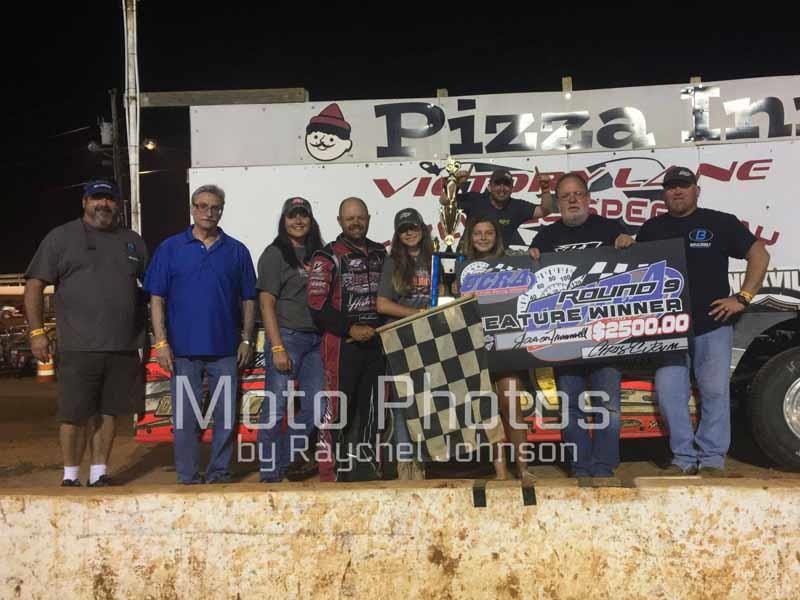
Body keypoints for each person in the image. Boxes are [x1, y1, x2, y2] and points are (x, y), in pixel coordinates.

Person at [637, 166, 770, 476]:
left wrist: (743, 297)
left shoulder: (720, 222)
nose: (677, 191)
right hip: (668, 328)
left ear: (697, 190)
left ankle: (711, 460)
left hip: (712, 325)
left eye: (683, 185)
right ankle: (683, 458)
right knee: (670, 395)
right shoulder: (651, 229)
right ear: (663, 194)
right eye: (671, 187)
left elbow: (759, 254)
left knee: (714, 393)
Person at [24, 179, 148, 487]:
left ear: (118, 205)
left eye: (109, 199)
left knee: (109, 413)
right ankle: (70, 476)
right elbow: (34, 285)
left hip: (122, 346)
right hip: (78, 347)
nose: (103, 204)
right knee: (74, 415)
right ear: (85, 202)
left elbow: (153, 287)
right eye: (97, 198)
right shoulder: (61, 238)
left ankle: (98, 473)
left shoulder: (133, 242)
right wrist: (37, 332)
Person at [144, 184, 257, 484]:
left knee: (225, 416)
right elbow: (157, 298)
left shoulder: (236, 250)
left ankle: (219, 473)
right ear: (193, 209)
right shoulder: (170, 248)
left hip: (226, 351)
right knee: (185, 418)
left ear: (222, 211)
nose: (209, 212)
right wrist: (161, 342)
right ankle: (188, 476)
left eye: (215, 207)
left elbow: (249, 298)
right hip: (182, 352)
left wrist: (247, 339)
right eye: (203, 206)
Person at [529, 173, 634, 478]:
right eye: (565, 196)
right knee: (570, 407)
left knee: (608, 405)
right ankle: (581, 467)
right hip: (564, 338)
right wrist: (531, 257)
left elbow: (634, 267)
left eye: (578, 194)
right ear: (558, 203)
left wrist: (629, 244)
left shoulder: (610, 228)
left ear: (588, 198)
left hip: (606, 334)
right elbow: (534, 281)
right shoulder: (545, 236)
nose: (573, 200)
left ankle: (604, 467)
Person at [307, 197, 387, 482]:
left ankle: (369, 466)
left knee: (374, 408)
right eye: (350, 218)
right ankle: (329, 473)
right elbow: (316, 304)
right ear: (340, 221)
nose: (356, 223)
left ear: (368, 218)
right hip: (341, 345)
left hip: (377, 343)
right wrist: (350, 328)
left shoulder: (380, 253)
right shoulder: (326, 256)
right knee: (337, 408)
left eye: (360, 217)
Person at [457, 216, 533, 483]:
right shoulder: (462, 267)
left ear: (497, 237)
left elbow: (534, 271)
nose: (483, 237)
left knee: (512, 407)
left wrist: (535, 255)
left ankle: (523, 468)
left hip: (507, 346)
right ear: (470, 237)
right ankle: (500, 472)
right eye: (478, 233)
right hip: (477, 347)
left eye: (488, 232)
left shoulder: (513, 260)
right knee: (489, 411)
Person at [256, 197, 325, 482]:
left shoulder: (319, 254)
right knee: (276, 408)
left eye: (303, 215)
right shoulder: (275, 254)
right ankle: (269, 474)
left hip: (316, 340)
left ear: (311, 220)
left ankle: (281, 461)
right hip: (287, 337)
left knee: (318, 407)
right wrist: (277, 346)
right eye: (292, 216)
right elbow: (266, 303)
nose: (298, 221)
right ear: (284, 221)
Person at [377, 208, 433, 480]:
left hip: (430, 338)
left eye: (413, 227)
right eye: (403, 230)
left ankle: (421, 461)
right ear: (397, 235)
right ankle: (404, 463)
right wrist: (416, 313)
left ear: (422, 229)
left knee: (426, 403)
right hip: (400, 338)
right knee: (402, 405)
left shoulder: (434, 258)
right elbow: (382, 304)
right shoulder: (392, 262)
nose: (409, 233)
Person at [441, 167, 554, 248]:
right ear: (489, 187)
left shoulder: (517, 207)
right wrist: (455, 183)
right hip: (468, 258)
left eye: (506, 184)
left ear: (512, 188)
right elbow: (445, 201)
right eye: (497, 184)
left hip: (497, 261)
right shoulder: (475, 200)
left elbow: (545, 210)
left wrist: (545, 190)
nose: (502, 188)